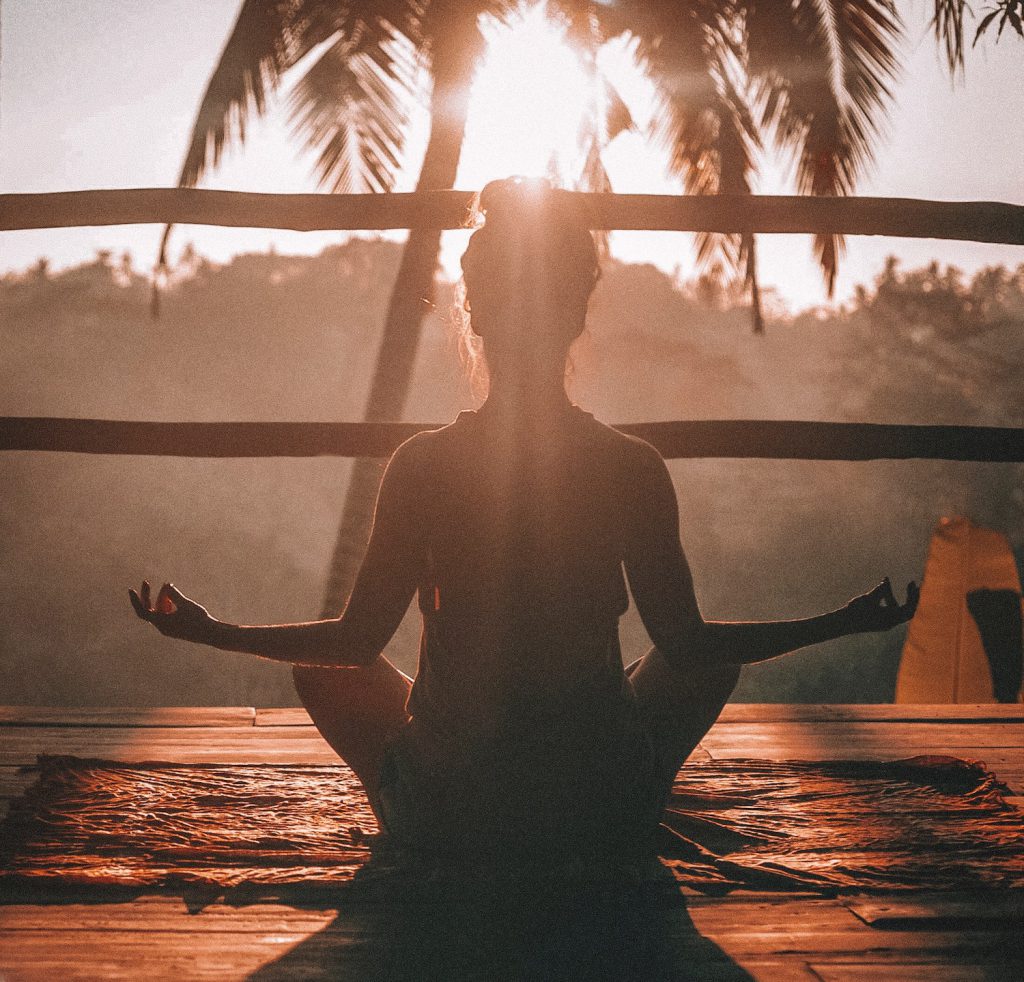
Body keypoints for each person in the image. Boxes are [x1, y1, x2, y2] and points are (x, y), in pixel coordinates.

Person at [130, 178, 918, 865]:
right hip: (596, 809)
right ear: (577, 317)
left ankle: (416, 812)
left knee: (324, 670)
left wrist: (215, 631)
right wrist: (843, 621)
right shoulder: (630, 465)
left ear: (474, 315)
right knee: (707, 660)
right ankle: (630, 798)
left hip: (453, 815)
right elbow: (690, 645)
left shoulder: (424, 464)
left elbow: (353, 643)